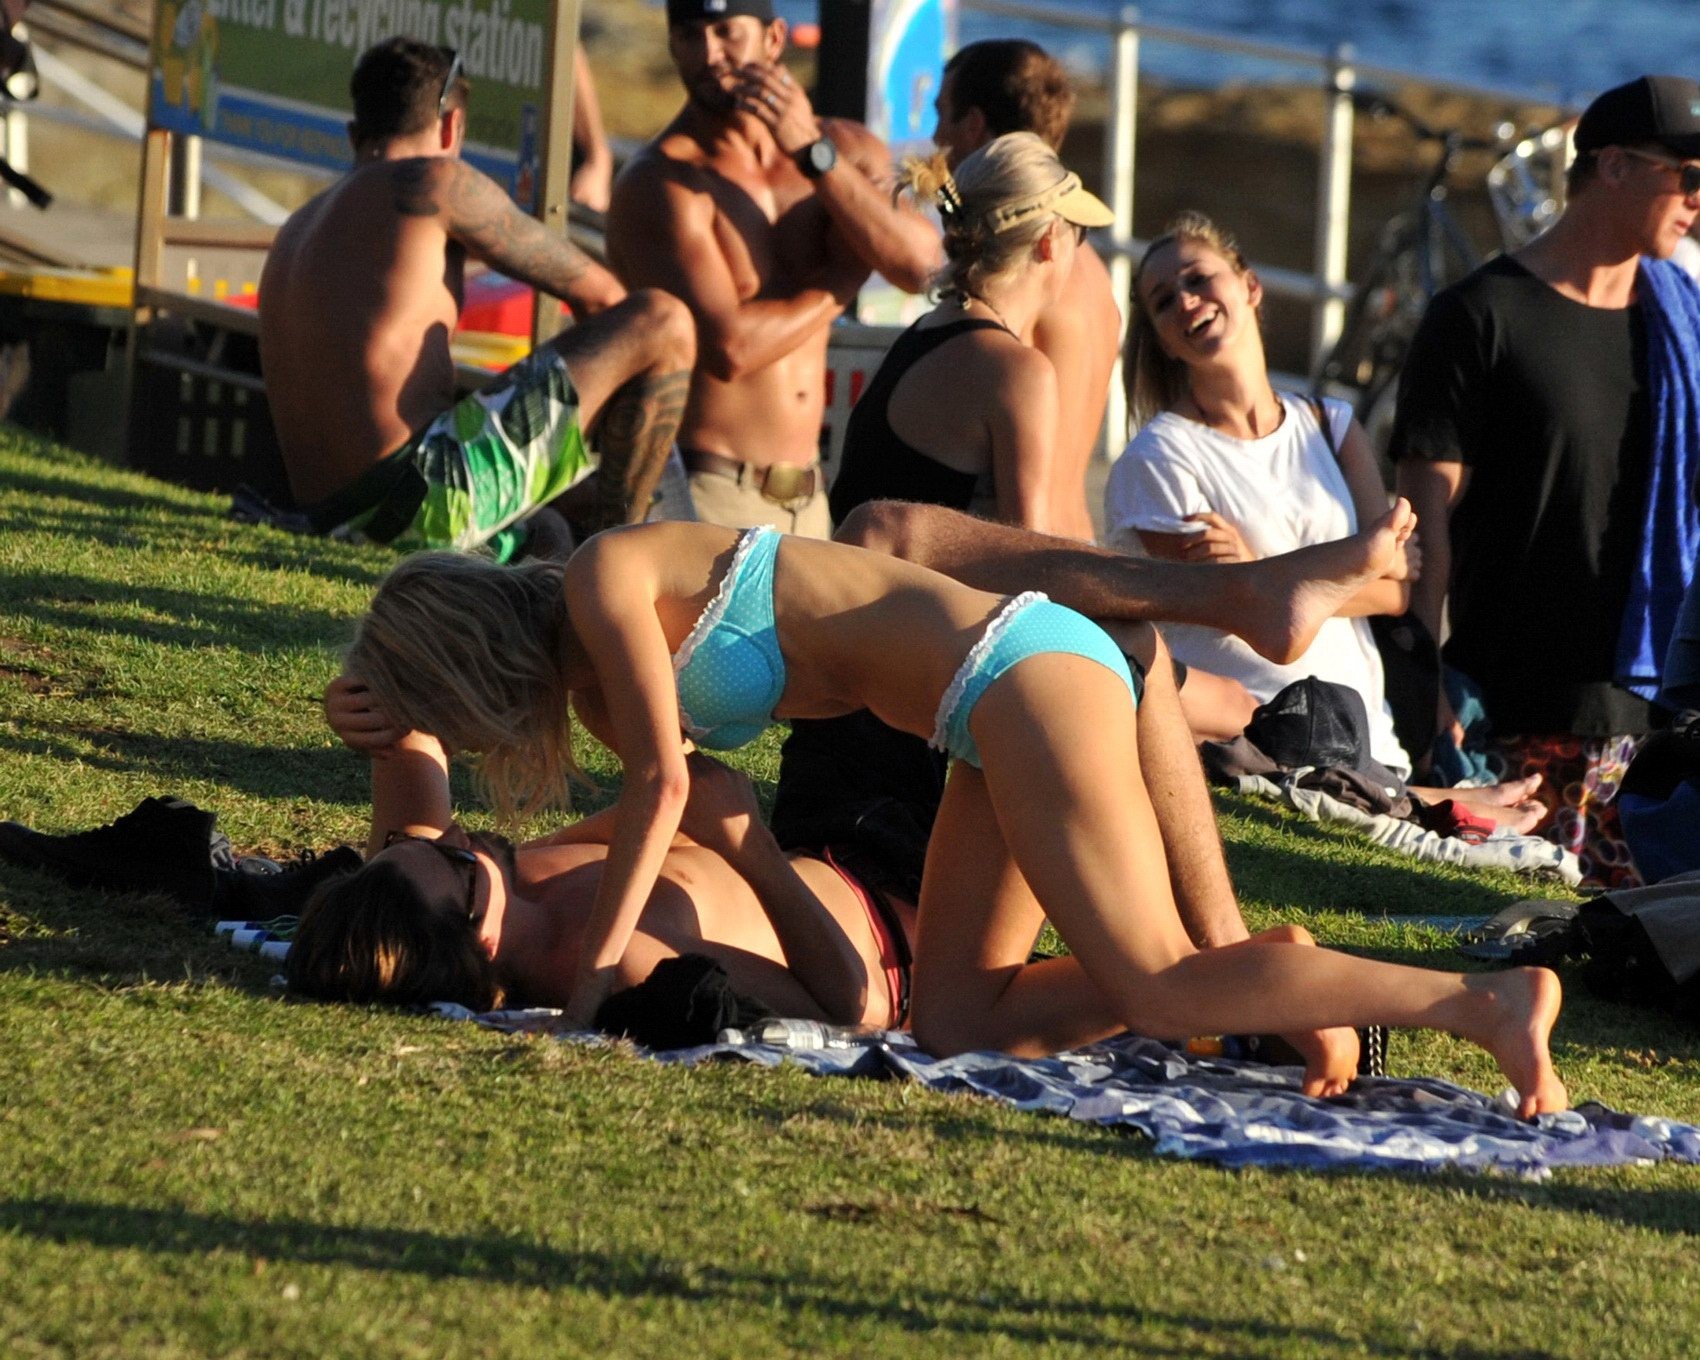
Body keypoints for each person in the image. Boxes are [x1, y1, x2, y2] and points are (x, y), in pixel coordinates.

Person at [334, 516, 1569, 1117]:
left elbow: (667, 791)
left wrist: (588, 1002)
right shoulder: (595, 688)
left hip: (1016, 669)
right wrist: (393, 735)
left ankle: (1481, 1003)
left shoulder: (602, 579)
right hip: (978, 713)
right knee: (953, 1021)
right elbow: (678, 790)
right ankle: (1276, 977)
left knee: (1161, 985)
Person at [1107, 213, 1544, 830]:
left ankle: (1427, 797)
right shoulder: (1159, 456)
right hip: (1251, 730)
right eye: (1163, 301)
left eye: (1198, 278)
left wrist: (1264, 576)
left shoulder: (1329, 425)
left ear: (1249, 286)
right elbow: (1237, 606)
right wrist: (1355, 569)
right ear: (1162, 338)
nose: (1186, 301)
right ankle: (1437, 802)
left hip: (1369, 734)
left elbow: (1398, 591)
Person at [1391, 74, 1700, 887]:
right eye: (1690, 176)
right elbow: (1423, 530)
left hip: (1650, 721)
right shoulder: (1477, 317)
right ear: (1613, 166)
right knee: (1511, 947)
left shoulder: (1680, 324)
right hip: (1513, 718)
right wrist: (1425, 696)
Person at [260, 37, 695, 563]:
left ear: (356, 133)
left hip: (332, 513)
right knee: (662, 320)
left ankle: (594, 562)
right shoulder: (434, 181)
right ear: (451, 127)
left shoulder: (297, 228)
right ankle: (621, 568)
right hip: (416, 504)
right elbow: (604, 298)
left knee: (556, 522)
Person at [605, 0, 938, 537]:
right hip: (705, 492)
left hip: (810, 497)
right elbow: (731, 349)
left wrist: (814, 156)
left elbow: (923, 266)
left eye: (725, 31)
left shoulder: (846, 149)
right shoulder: (661, 183)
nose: (710, 54)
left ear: (774, 39)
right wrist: (842, 278)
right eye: (690, 35)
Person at [827, 132, 1113, 533]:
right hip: (921, 595)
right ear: (1049, 242)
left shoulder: (923, 335)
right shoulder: (1016, 371)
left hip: (869, 588)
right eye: (1077, 234)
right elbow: (1027, 560)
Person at [930, 39, 1122, 539]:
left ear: (973, 125)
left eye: (943, 116)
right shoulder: (1090, 268)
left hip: (1028, 554)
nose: (935, 136)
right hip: (1078, 539)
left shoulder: (1022, 273)